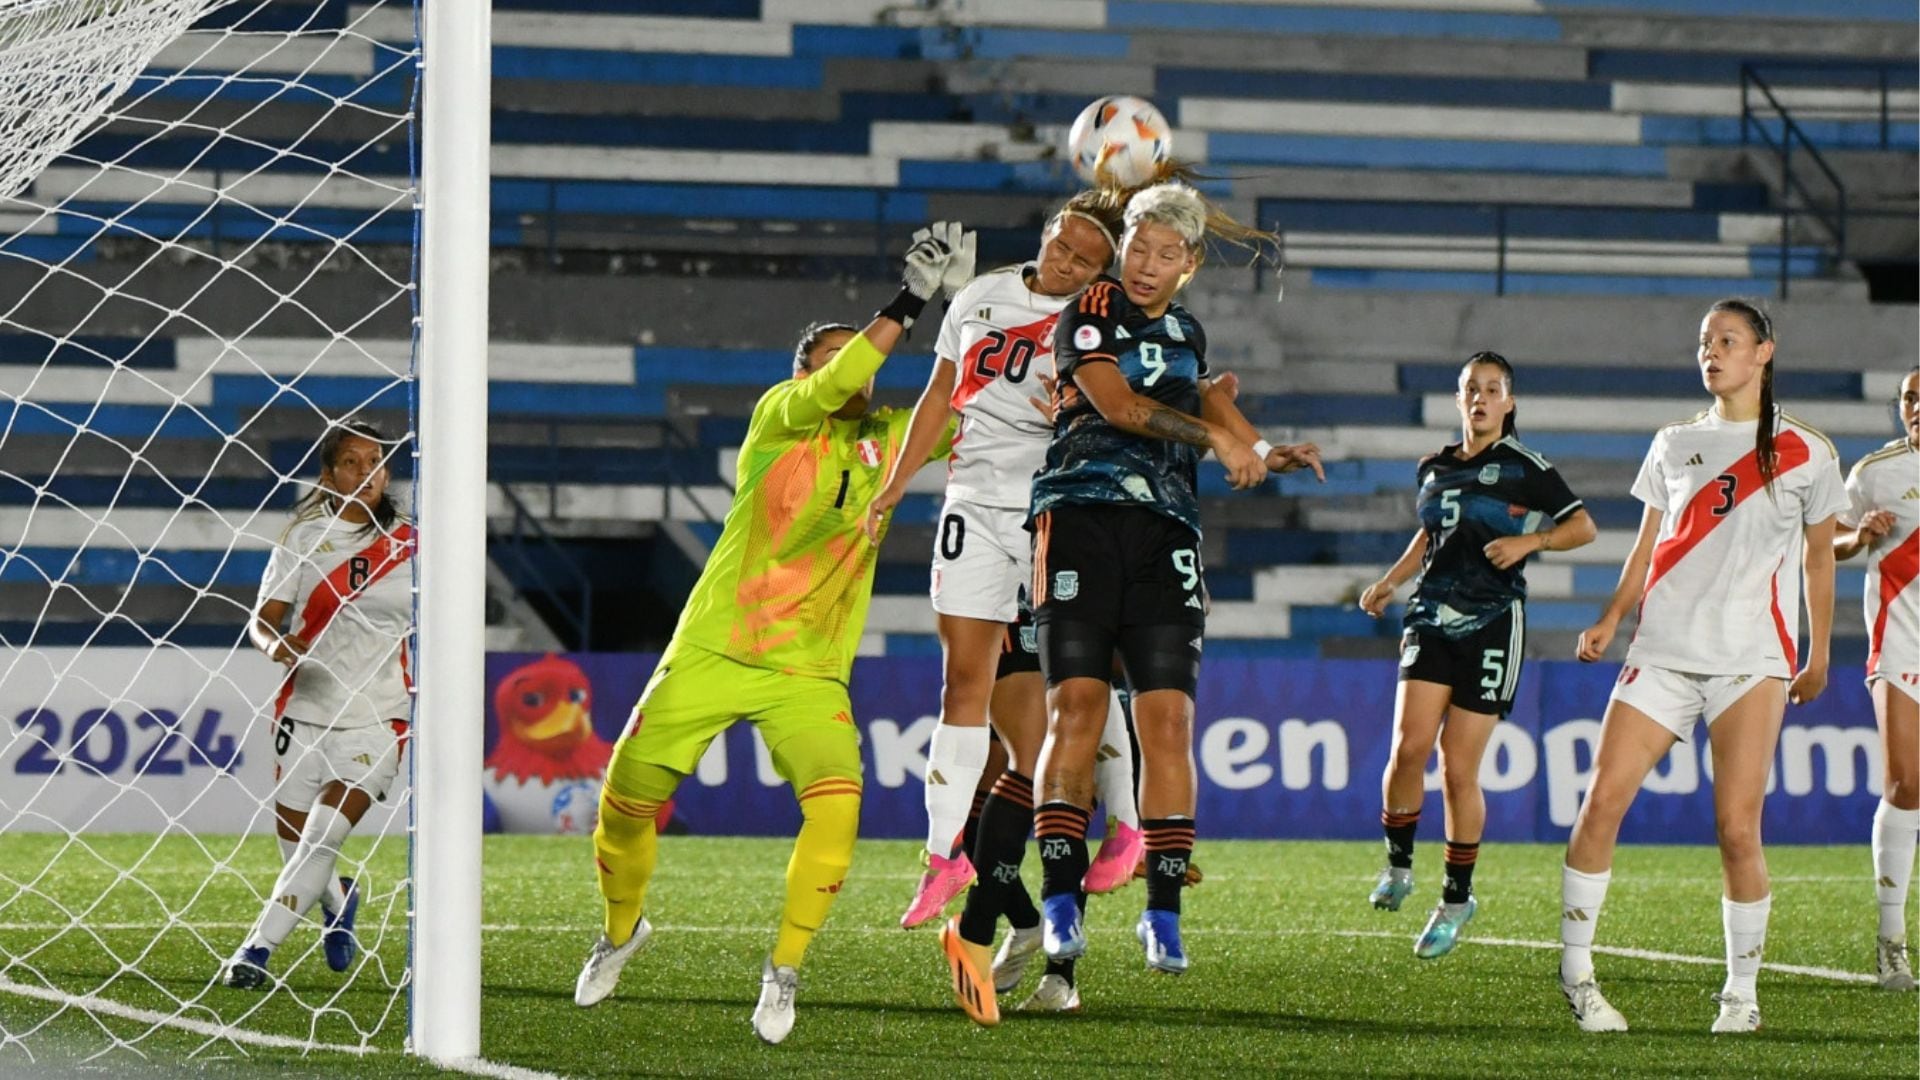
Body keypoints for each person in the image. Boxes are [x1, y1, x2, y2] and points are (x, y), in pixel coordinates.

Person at [571, 222, 973, 1045]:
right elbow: (842, 379)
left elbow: (971, 406)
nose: (847, 368)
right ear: (801, 374)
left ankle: (783, 969)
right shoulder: (778, 422)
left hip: (808, 672)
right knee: (624, 809)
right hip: (713, 649)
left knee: (836, 814)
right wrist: (907, 304)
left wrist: (965, 312)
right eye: (830, 356)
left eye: (852, 357)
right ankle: (621, 931)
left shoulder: (889, 443)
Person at [982, 180, 1319, 1020]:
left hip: (1165, 531)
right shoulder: (1088, 310)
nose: (1147, 263)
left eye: (1167, 254)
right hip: (1080, 521)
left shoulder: (1185, 329)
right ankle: (1060, 904)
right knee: (1078, 711)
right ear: (1125, 242)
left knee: (1167, 722)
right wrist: (1218, 441)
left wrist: (1262, 448)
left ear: (1190, 266)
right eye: (1139, 245)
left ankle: (1161, 912)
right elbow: (1123, 406)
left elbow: (1202, 396)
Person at [865, 191, 1143, 1011]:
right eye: (1061, 247)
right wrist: (893, 485)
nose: (1065, 266)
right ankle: (973, 887)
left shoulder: (1105, 321)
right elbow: (936, 397)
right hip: (978, 517)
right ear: (1048, 234)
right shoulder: (980, 297)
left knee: (1065, 733)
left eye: (1086, 262)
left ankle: (1060, 931)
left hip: (1062, 517)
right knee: (1006, 737)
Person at [1558, 298, 1846, 1034]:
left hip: (1751, 660)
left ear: (1764, 352)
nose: (1711, 352)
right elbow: (1647, 544)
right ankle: (1577, 976)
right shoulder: (1673, 441)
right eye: (1703, 342)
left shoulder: (1807, 451)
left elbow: (1819, 555)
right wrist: (1611, 618)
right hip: (1663, 651)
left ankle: (1741, 997)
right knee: (1599, 805)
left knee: (1737, 830)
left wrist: (1817, 652)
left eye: (1727, 340)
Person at [1359, 352, 1595, 958]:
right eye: (1472, 388)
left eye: (1493, 389)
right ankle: (1398, 865)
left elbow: (1583, 527)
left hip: (1493, 622)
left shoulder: (1526, 468)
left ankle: (1457, 899)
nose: (1481, 398)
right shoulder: (1433, 467)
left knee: (1459, 768)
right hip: (1431, 615)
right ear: (1459, 398)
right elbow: (1431, 533)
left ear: (1509, 403)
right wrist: (1391, 580)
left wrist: (1531, 541)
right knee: (1408, 748)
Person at [223, 421, 414, 989]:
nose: (366, 473)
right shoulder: (303, 538)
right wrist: (277, 647)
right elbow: (263, 623)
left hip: (378, 715)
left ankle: (254, 952)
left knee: (322, 837)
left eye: (375, 462)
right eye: (351, 463)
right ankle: (339, 899)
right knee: (297, 847)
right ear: (329, 475)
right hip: (305, 711)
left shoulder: (414, 543)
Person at [1834, 365, 1919, 992]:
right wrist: (1858, 535)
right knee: (1904, 782)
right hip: (1900, 644)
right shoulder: (1875, 474)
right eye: (1909, 399)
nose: (1914, 408)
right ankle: (1892, 941)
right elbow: (1827, 540)